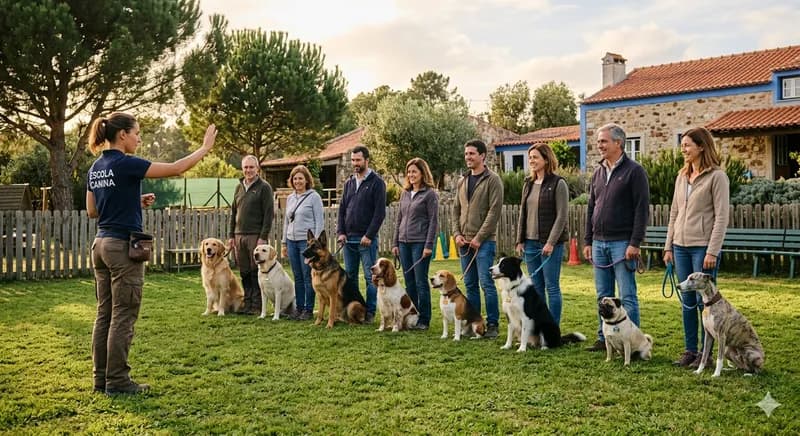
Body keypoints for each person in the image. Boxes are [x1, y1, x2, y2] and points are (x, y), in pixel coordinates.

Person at [86, 112, 217, 395]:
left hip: (100, 245)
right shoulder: (126, 163)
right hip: (122, 247)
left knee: (104, 315)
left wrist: (133, 200)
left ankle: (100, 380)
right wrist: (205, 148)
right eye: (137, 133)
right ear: (122, 135)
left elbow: (93, 210)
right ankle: (118, 381)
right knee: (123, 315)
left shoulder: (96, 167)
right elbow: (176, 168)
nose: (139, 138)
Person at [663, 127, 729, 368]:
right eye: (682, 145)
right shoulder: (682, 176)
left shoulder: (717, 177)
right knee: (687, 301)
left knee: (707, 303)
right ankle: (690, 351)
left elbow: (722, 217)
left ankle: (706, 354)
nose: (683, 149)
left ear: (702, 147)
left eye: (688, 145)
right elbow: (674, 213)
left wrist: (712, 251)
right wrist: (668, 246)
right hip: (680, 246)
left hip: (703, 247)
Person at [583, 123, 650, 352]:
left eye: (603, 141)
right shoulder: (599, 172)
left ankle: (632, 343)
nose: (599, 145)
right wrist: (587, 240)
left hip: (623, 243)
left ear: (618, 143)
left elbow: (641, 209)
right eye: (599, 141)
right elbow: (591, 207)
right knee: (602, 295)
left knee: (627, 295)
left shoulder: (634, 171)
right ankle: (605, 339)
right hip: (599, 243)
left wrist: (635, 242)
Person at [453, 139, 504, 339]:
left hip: (484, 242)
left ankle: (492, 324)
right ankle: (475, 322)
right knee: (470, 285)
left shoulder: (493, 180)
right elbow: (456, 210)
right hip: (464, 241)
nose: (468, 157)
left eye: (472, 154)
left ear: (482, 156)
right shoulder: (462, 181)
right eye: (466, 154)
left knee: (486, 283)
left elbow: (494, 211)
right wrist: (457, 234)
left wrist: (480, 237)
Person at [514, 143, 569, 326]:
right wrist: (520, 240)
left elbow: (561, 216)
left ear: (546, 159)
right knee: (536, 288)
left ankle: (553, 328)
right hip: (530, 243)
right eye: (530, 157)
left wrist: (551, 242)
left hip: (549, 244)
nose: (532, 161)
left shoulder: (558, 183)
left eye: (535, 157)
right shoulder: (527, 184)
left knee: (552, 287)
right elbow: (523, 213)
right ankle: (540, 327)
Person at [337, 146, 387, 324]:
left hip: (366, 240)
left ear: (367, 160)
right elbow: (342, 210)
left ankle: (370, 313)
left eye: (358, 160)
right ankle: (352, 311)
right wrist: (341, 232)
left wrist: (369, 235)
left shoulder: (377, 183)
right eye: (353, 160)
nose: (355, 164)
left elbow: (379, 213)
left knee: (370, 277)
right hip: (349, 239)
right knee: (349, 277)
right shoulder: (349, 182)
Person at [392, 158, 439, 330]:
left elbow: (433, 221)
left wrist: (428, 245)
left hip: (420, 243)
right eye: (409, 172)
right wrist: (395, 242)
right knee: (409, 282)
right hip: (403, 243)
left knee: (420, 282)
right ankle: (412, 315)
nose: (411, 175)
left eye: (414, 172)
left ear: (422, 173)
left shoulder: (429, 194)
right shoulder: (405, 193)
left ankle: (424, 319)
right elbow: (399, 219)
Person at [228, 155, 274, 315]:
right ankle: (247, 303)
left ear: (257, 168)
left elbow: (269, 214)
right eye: (245, 167)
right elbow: (233, 212)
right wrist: (231, 236)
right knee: (244, 271)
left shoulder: (264, 187)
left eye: (251, 167)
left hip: (256, 235)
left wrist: (263, 236)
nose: (248, 170)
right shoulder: (238, 187)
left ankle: (257, 305)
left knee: (256, 271)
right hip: (239, 235)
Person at [281, 165, 324, 321]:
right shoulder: (291, 198)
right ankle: (298, 308)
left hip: (306, 243)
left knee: (307, 276)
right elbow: (286, 221)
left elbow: (319, 222)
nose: (297, 181)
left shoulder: (314, 197)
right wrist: (284, 242)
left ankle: (308, 308)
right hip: (291, 241)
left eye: (300, 178)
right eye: (295, 178)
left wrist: (316, 243)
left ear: (307, 180)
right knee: (297, 276)